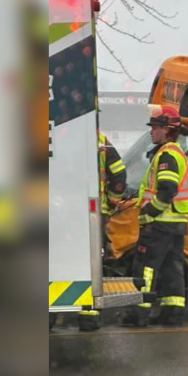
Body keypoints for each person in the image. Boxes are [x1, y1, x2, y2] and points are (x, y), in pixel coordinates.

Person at [122, 104, 188, 327]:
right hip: (175, 224)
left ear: (168, 129)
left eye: (155, 127)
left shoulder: (167, 155)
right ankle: (173, 313)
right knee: (173, 269)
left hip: (160, 223)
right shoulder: (173, 153)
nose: (151, 131)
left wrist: (149, 210)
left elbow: (167, 190)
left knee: (146, 267)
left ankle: (139, 313)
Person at [78, 131, 127, 332]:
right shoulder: (100, 140)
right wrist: (113, 199)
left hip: (62, 211)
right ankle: (88, 312)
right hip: (94, 212)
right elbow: (119, 174)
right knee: (91, 262)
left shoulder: (57, 133)